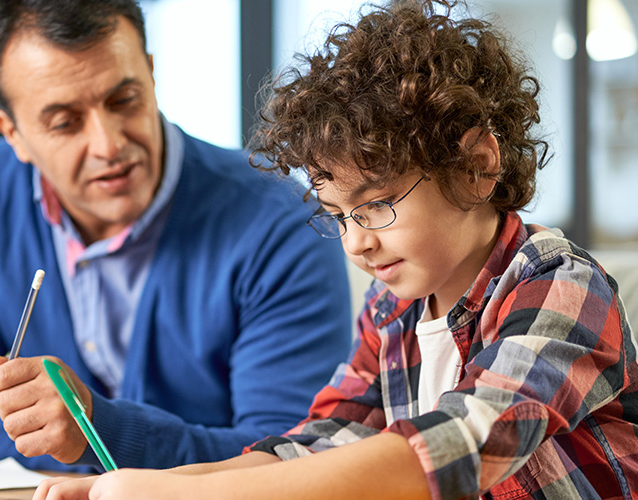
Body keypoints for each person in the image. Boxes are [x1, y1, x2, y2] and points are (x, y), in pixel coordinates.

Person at [32, 0, 638, 498]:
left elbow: (457, 447)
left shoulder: (560, 283)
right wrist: (143, 483)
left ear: (477, 166)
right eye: (337, 216)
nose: (356, 242)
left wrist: (185, 496)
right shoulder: (389, 309)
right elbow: (319, 444)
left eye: (376, 205)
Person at [0, 0, 354, 474]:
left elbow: (288, 455)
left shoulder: (281, 220)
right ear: (12, 133)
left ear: (152, 74)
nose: (109, 143)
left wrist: (97, 433)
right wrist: (65, 435)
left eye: (123, 100)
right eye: (65, 122)